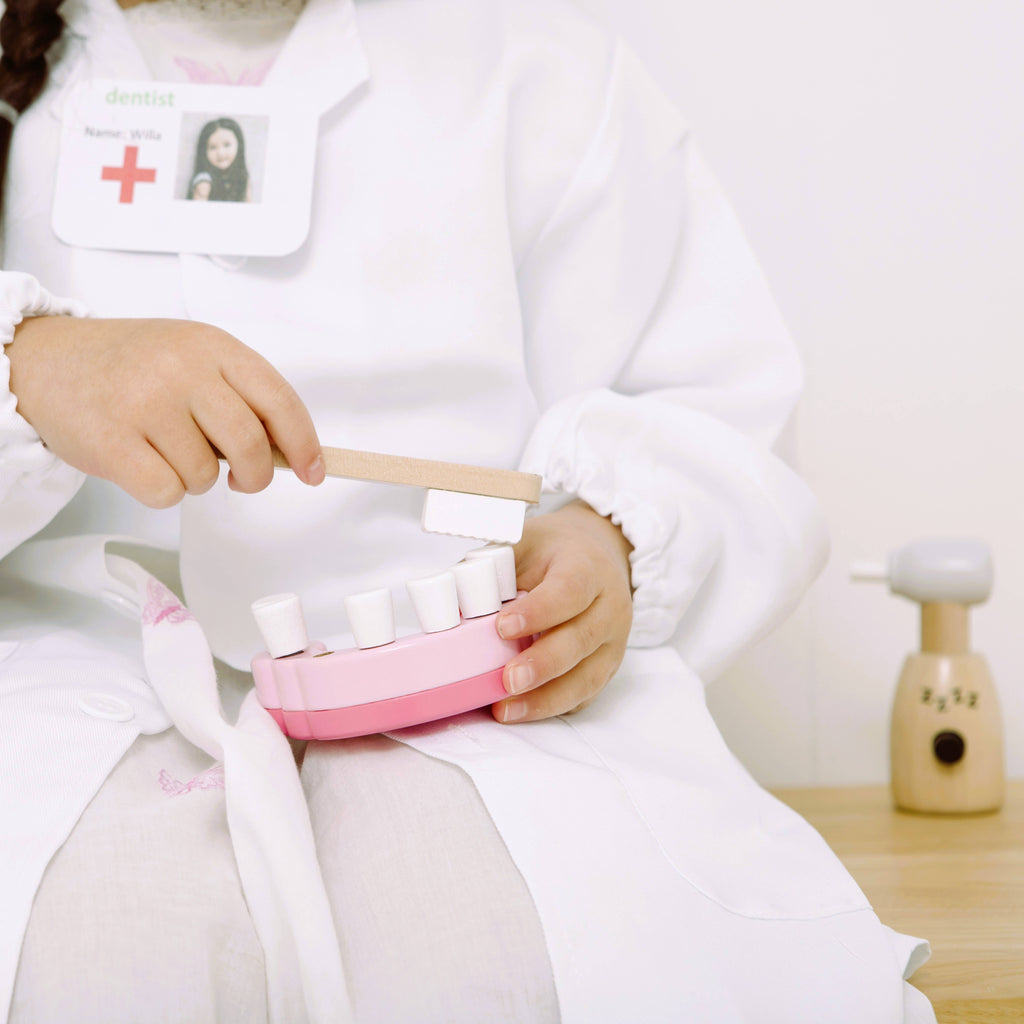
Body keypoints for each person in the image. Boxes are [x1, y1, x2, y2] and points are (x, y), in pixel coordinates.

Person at [0, 0, 936, 1022]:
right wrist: (33, 366)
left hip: (470, 666)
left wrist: (612, 539)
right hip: (65, 674)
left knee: (484, 963)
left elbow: (713, 404)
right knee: (94, 959)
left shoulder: (542, 72)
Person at [187, 116, 252, 202]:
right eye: (212, 147)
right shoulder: (204, 182)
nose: (220, 153)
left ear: (239, 145)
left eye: (227, 145)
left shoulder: (242, 176)